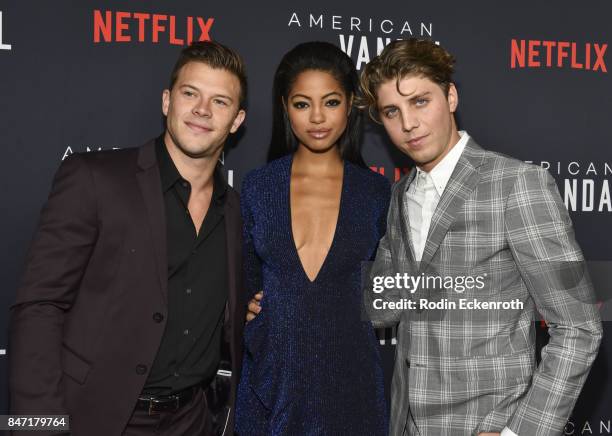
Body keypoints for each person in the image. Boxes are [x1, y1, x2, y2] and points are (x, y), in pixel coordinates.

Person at [359, 38, 602, 436]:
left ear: (450, 97)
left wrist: (517, 434)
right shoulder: (400, 195)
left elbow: (578, 327)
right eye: (391, 111)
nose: (408, 124)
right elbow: (381, 309)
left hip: (488, 425)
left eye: (420, 101)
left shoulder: (517, 185)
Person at [9, 41, 247, 436]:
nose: (203, 110)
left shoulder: (237, 210)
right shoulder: (94, 179)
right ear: (167, 101)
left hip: (191, 421)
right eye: (191, 94)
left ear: (236, 121)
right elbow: (39, 306)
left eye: (220, 101)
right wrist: (38, 426)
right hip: (94, 417)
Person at [235, 41, 390, 435]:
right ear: (285, 106)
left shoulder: (376, 193)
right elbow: (239, 285)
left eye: (332, 102)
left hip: (353, 386)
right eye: (302, 104)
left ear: (352, 103)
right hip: (271, 384)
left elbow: (396, 295)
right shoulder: (257, 188)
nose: (317, 117)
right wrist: (243, 308)